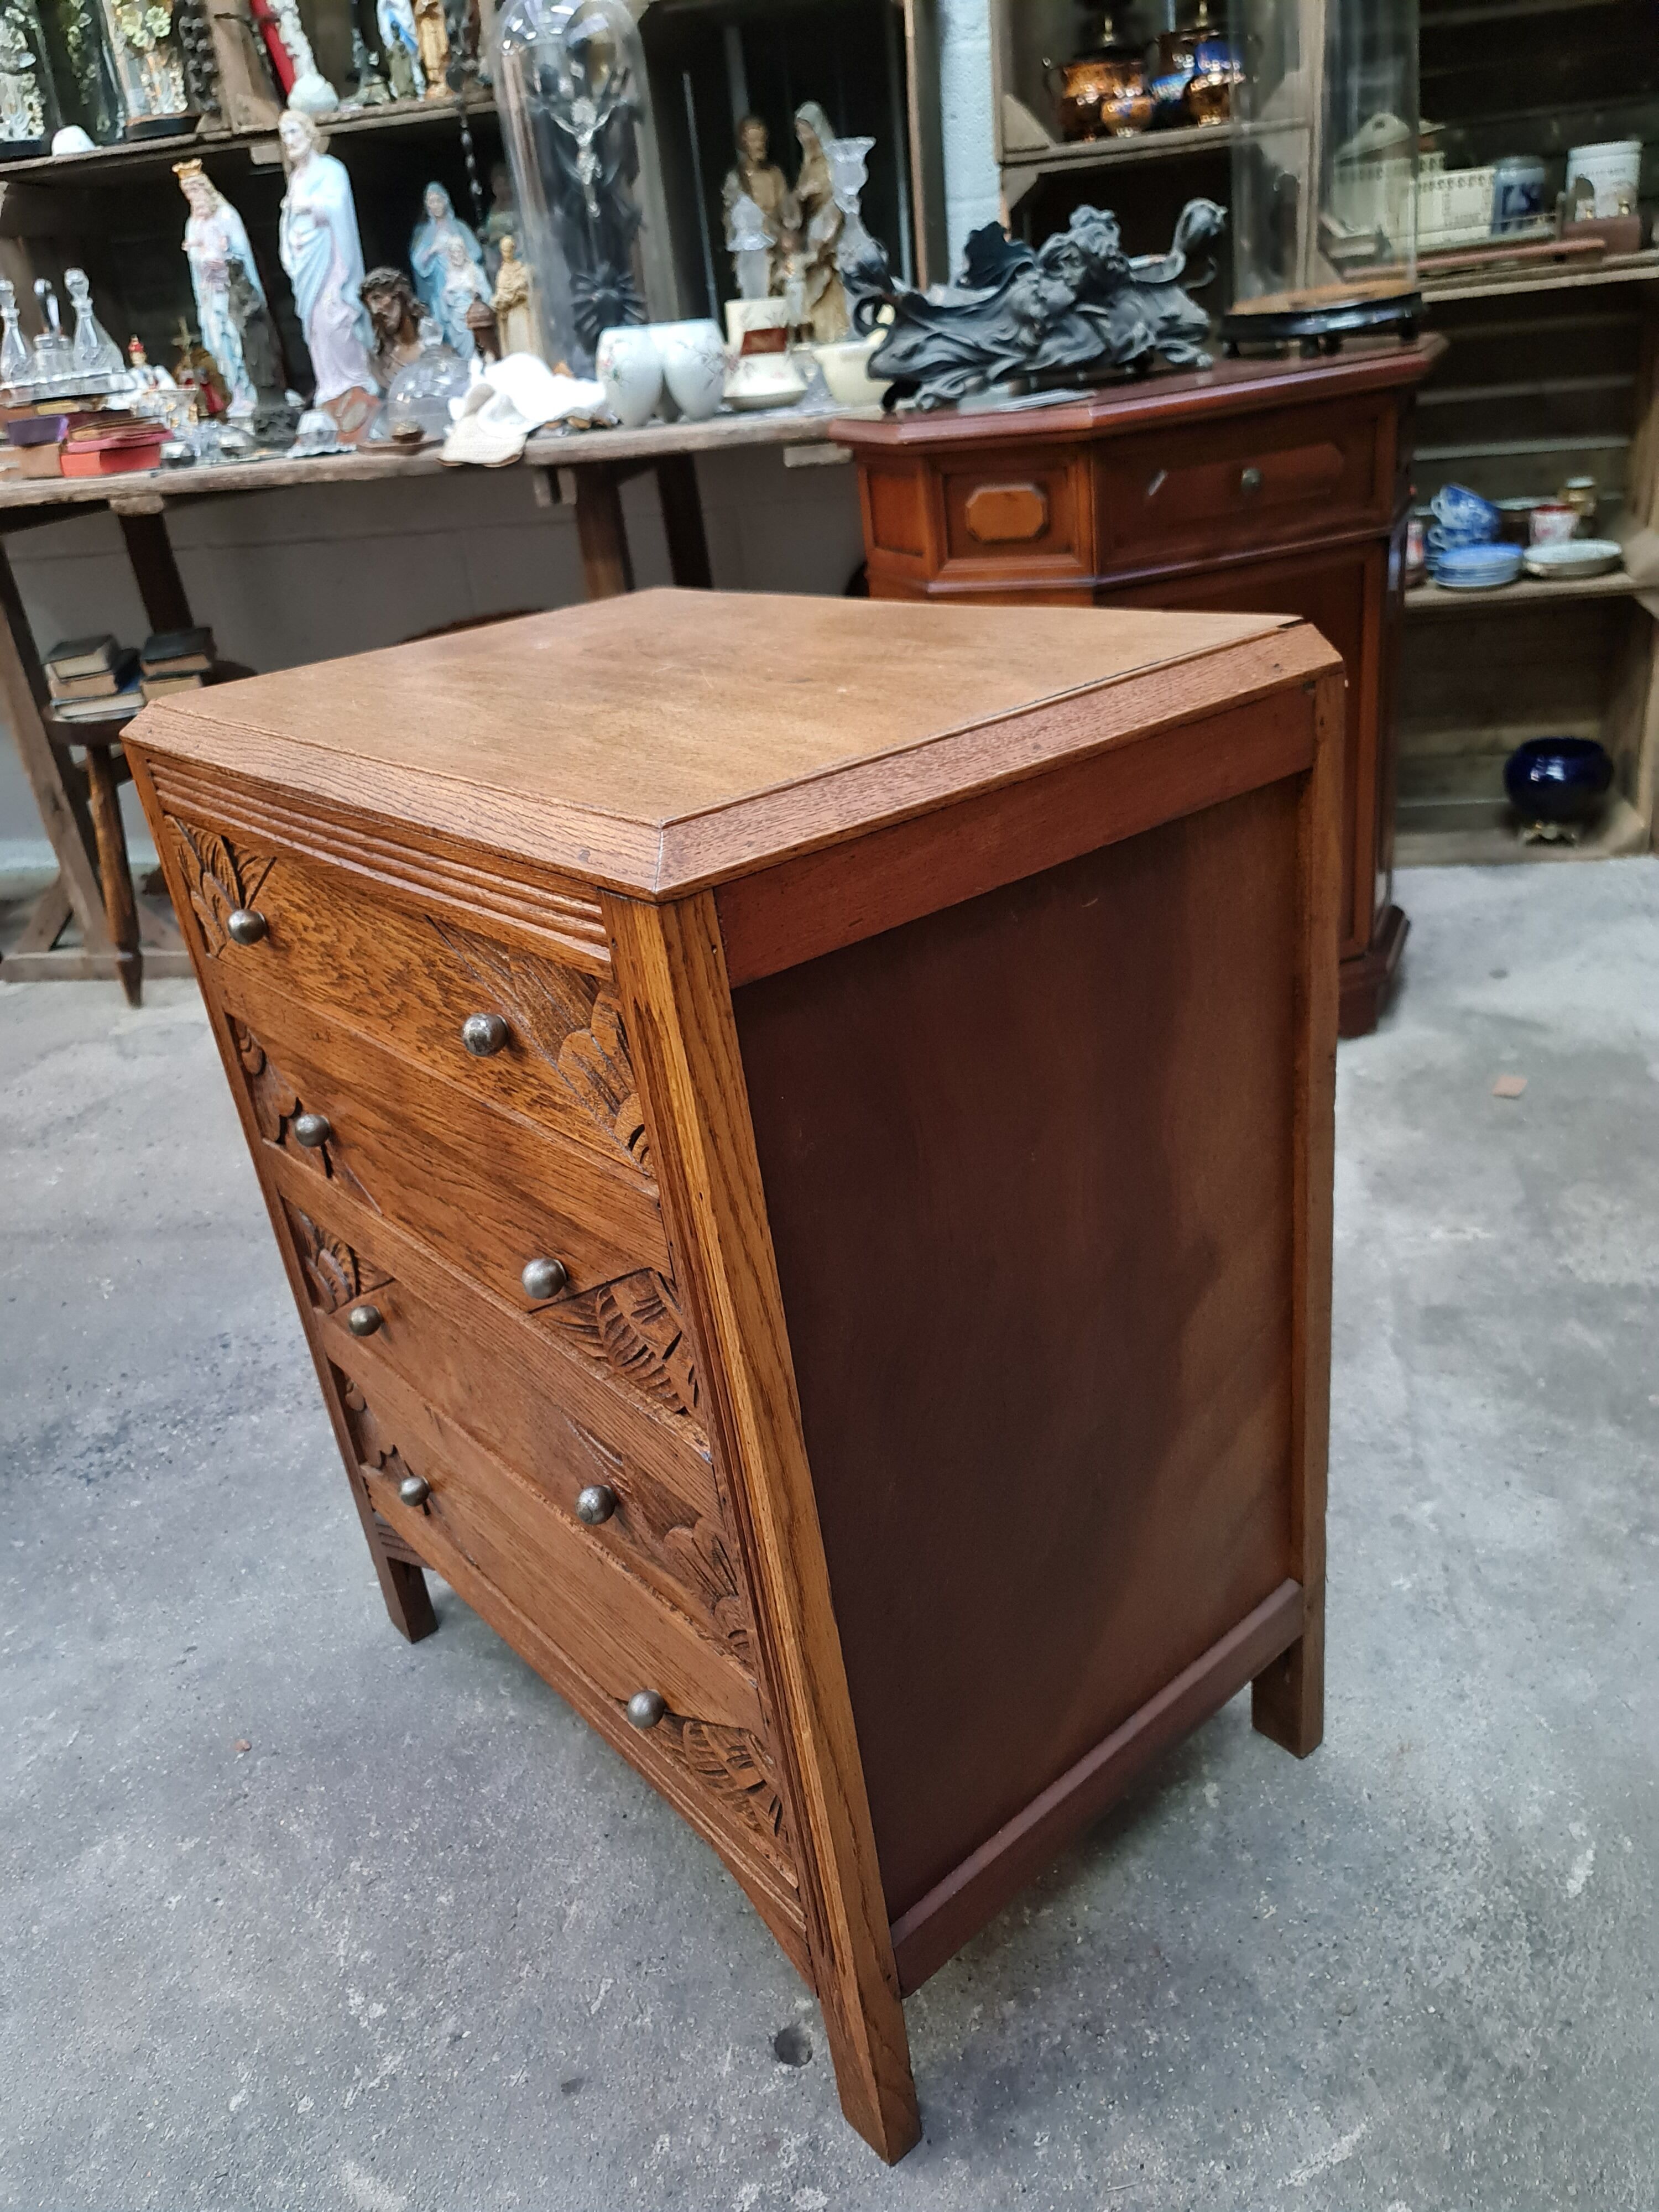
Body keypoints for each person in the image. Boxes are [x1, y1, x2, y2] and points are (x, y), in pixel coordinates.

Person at [277, 108, 376, 422]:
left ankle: (354, 380)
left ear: (309, 134)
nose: (289, 141)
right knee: (316, 326)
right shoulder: (295, 178)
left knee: (338, 319)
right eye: (284, 135)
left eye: (294, 132)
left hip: (333, 261)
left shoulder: (331, 170)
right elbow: (288, 220)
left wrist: (307, 206)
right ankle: (331, 385)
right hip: (306, 264)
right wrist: (290, 247)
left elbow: (337, 207)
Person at [175, 159, 263, 416]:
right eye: (188, 194)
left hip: (233, 295)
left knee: (239, 341)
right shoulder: (194, 224)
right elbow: (195, 260)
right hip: (211, 296)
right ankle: (234, 392)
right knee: (219, 346)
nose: (193, 198)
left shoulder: (226, 216)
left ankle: (250, 390)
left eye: (196, 191)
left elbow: (241, 254)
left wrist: (223, 259)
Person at [410, 181, 484, 325]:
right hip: (441, 289)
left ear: (446, 201)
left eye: (439, 200)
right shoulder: (427, 233)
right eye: (432, 202)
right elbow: (418, 261)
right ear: (427, 206)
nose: (436, 205)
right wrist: (432, 251)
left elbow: (476, 251)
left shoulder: (459, 226)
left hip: (463, 285)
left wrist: (461, 259)